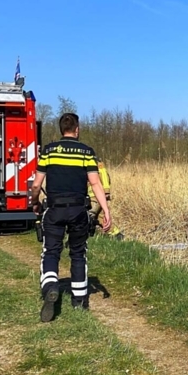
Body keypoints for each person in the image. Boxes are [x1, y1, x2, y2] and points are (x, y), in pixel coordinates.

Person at [29, 112, 111, 322]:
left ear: (60, 130)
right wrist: (106, 212)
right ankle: (79, 302)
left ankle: (51, 287)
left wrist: (35, 202)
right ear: (77, 129)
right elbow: (95, 184)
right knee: (78, 253)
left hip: (54, 209)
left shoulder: (49, 150)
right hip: (78, 211)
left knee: (51, 252)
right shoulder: (86, 152)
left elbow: (37, 184)